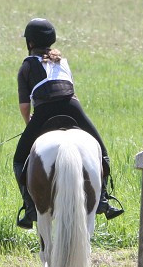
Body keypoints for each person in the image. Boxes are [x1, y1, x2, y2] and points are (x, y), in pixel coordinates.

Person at [13, 18, 123, 229]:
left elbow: (25, 106)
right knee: (102, 153)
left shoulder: (26, 66)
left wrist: (30, 125)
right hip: (72, 107)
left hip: (43, 111)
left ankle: (29, 207)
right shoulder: (62, 61)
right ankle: (103, 200)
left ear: (30, 43)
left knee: (18, 160)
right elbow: (72, 91)